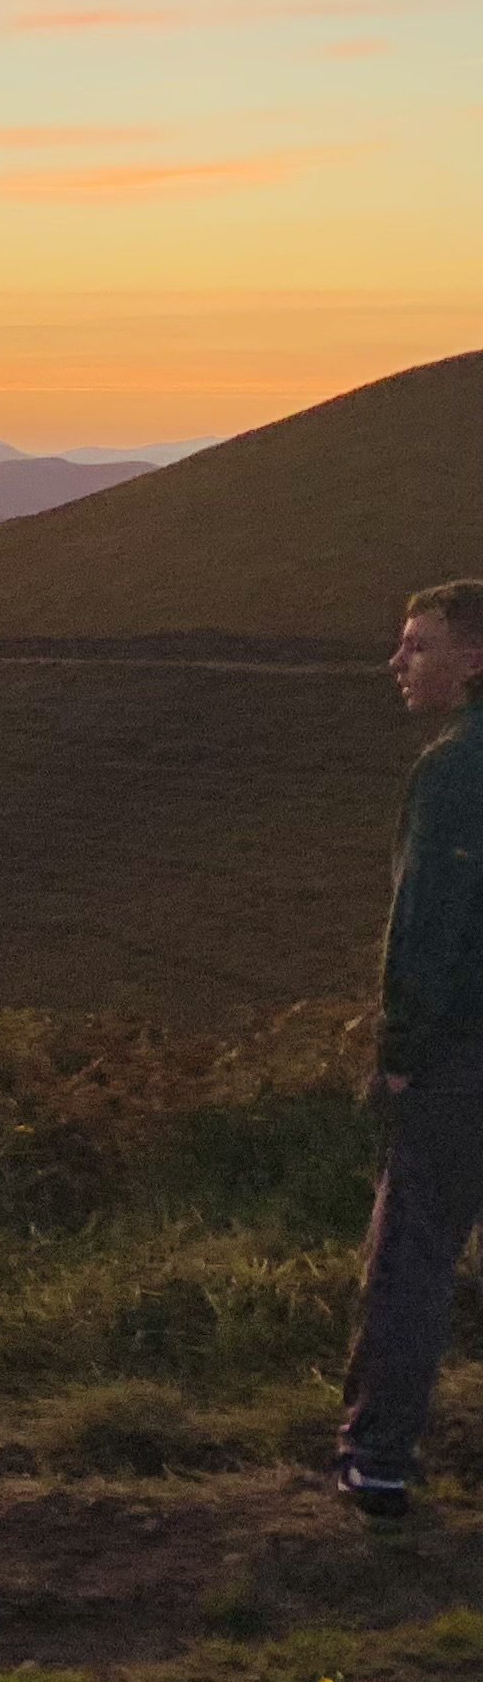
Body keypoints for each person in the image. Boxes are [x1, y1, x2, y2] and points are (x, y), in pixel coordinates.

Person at [335, 578, 483, 1523]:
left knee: (414, 1254)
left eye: (417, 645)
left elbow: (424, 928)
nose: (397, 663)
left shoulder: (453, 772)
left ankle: (379, 1459)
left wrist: (399, 1051)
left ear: (475, 660)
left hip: (462, 1057)